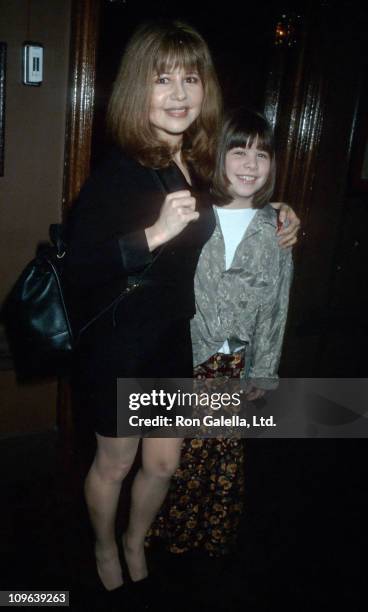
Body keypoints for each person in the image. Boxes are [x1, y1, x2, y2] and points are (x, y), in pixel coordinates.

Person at [65, 20, 299, 595]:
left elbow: (240, 202)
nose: (178, 94)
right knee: (116, 465)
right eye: (161, 79)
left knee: (164, 465)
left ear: (205, 88)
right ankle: (104, 547)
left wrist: (285, 213)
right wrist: (151, 235)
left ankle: (134, 539)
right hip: (121, 345)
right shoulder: (119, 171)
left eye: (190, 79)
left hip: (172, 338)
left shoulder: (196, 161)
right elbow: (76, 267)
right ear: (136, 91)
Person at [148, 108, 293, 557]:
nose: (251, 164)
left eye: (262, 155)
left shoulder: (276, 229)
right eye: (239, 151)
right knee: (169, 461)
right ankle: (155, 533)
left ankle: (207, 539)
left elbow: (276, 306)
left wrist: (263, 372)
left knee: (220, 457)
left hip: (235, 362)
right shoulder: (192, 214)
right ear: (219, 156)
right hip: (182, 354)